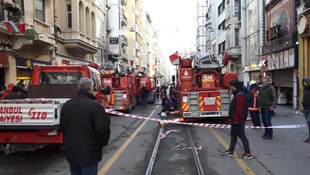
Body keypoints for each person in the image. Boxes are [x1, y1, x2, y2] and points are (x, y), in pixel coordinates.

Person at [60, 78, 110, 175]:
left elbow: (63, 127)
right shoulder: (95, 107)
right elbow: (102, 129)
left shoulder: (67, 105)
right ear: (91, 88)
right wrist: (101, 144)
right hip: (89, 154)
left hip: (72, 153)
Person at [222, 79, 253, 159]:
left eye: (230, 86)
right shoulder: (238, 94)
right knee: (233, 135)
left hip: (238, 120)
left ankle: (248, 153)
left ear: (234, 86)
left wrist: (236, 119)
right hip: (236, 119)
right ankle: (231, 150)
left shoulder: (239, 96)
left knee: (242, 135)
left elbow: (239, 109)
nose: (230, 88)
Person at [302, 78, 310, 143]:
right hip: (305, 108)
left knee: (309, 121)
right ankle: (309, 137)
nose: (304, 83)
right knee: (308, 124)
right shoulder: (305, 89)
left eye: (306, 82)